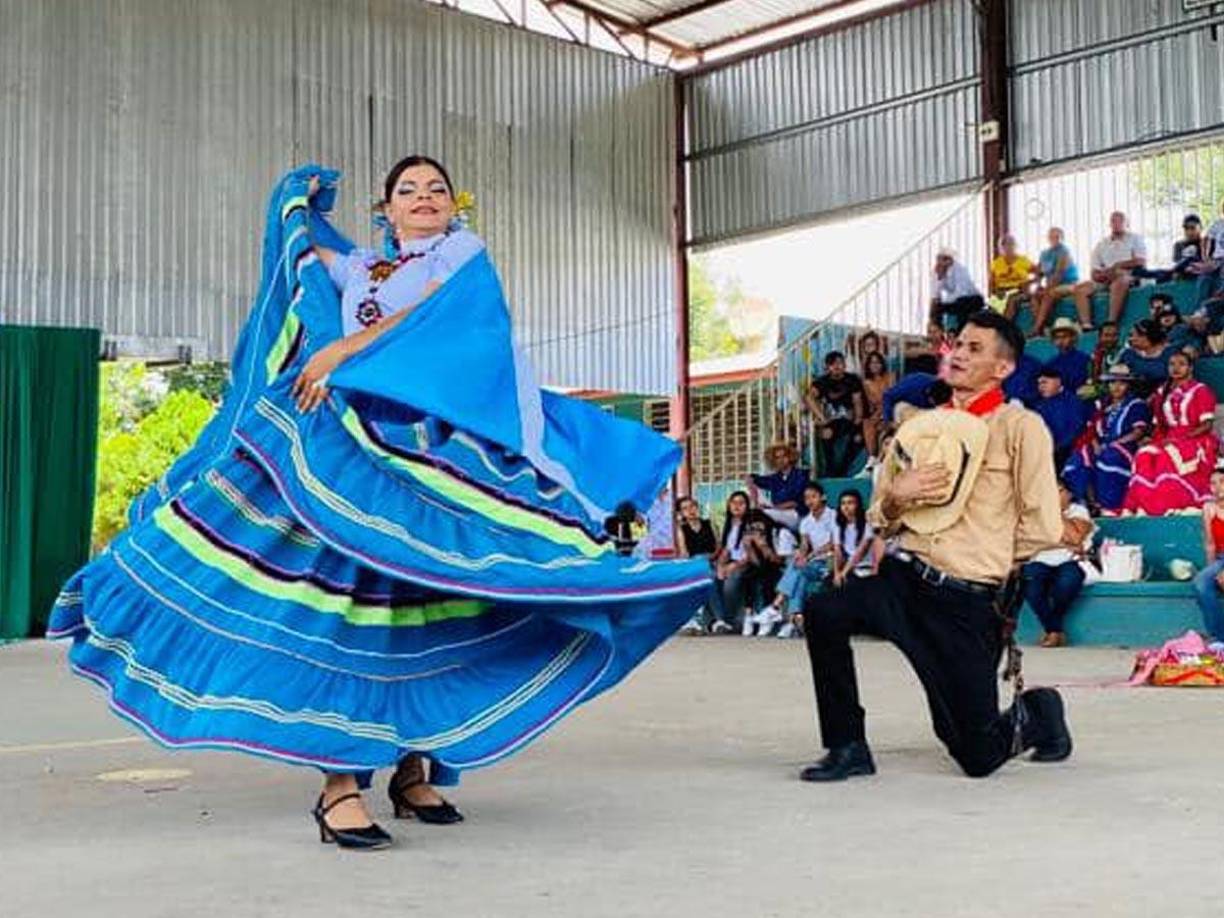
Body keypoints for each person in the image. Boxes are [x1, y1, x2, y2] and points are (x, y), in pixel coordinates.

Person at [47, 159, 711, 850]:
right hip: (356, 458)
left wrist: (339, 351)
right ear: (385, 210)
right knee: (354, 615)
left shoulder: (461, 255)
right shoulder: (362, 267)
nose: (424, 199)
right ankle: (340, 786)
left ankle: (414, 767)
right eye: (407, 192)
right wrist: (294, 201)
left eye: (436, 190)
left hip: (432, 456)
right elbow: (303, 249)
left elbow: (436, 324)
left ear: (454, 206)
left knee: (432, 606)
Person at [799, 310, 1072, 783]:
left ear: (1003, 368)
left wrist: (986, 560)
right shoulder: (923, 427)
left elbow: (1044, 525)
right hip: (904, 580)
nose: (959, 354)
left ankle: (1040, 711)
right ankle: (847, 746)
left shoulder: (1021, 427)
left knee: (976, 755)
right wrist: (896, 496)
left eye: (974, 348)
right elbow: (880, 516)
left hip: (965, 601)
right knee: (824, 609)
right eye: (958, 344)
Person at [1124, 351, 1219, 515]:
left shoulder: (1200, 390)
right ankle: (1146, 505)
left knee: (1167, 455)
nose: (1176, 368)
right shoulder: (1163, 392)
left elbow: (1207, 425)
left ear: (1190, 368)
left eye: (1181, 364)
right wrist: (1150, 439)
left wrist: (1180, 438)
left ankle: (1172, 504)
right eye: (1172, 364)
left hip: (1195, 438)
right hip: (1167, 438)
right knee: (1143, 454)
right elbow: (1159, 425)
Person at [1063, 365, 1151, 512]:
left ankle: (1109, 506)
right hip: (1103, 446)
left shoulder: (1136, 405)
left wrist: (1114, 443)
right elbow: (1093, 432)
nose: (1116, 387)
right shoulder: (1103, 406)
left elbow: (1138, 432)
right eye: (1113, 382)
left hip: (1125, 447)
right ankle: (1084, 504)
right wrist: (1096, 445)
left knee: (1109, 457)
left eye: (1122, 383)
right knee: (1079, 457)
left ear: (1129, 385)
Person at [1022, 481, 1095, 648]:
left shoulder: (1078, 511)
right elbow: (1031, 542)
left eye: (1060, 491)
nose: (1055, 495)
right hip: (1039, 559)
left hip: (1069, 560)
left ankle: (1052, 631)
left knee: (1069, 581)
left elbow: (1076, 538)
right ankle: (1055, 630)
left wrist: (1057, 513)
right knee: (1030, 585)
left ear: (1069, 494)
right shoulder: (1036, 513)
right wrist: (1064, 543)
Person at [764, 483, 839, 639]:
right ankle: (795, 618)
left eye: (813, 496)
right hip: (814, 564)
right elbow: (804, 545)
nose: (810, 501)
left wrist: (810, 556)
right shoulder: (806, 521)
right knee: (799, 570)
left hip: (831, 562)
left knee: (798, 570)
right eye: (806, 498)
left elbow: (833, 543)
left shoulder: (834, 516)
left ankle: (777, 607)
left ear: (823, 497)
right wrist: (801, 555)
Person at [1074, 211, 1147, 328]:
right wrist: (1105, 275)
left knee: (1120, 281)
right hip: (1105, 278)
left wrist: (1118, 266)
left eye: (1120, 221)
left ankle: (1111, 322)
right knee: (1080, 288)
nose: (1116, 223)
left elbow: (1140, 261)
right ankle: (1086, 325)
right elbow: (1094, 272)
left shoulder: (1135, 238)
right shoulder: (1102, 244)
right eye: (1113, 221)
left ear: (1126, 223)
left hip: (1129, 275)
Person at [807, 352, 865, 478]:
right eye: (833, 364)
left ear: (844, 364)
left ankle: (842, 471)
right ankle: (830, 470)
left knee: (857, 439)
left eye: (839, 363)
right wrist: (821, 417)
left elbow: (858, 402)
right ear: (827, 367)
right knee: (826, 434)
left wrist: (858, 421)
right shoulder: (822, 381)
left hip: (850, 419)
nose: (837, 366)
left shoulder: (852, 379)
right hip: (832, 420)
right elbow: (809, 397)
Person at [675, 496, 723, 636]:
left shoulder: (709, 523)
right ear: (681, 513)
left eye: (692, 506)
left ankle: (697, 621)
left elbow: (718, 547)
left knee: (708, 576)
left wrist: (710, 557)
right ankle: (718, 619)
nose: (690, 511)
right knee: (704, 576)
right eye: (685, 509)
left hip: (711, 562)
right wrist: (698, 561)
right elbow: (684, 554)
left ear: (697, 507)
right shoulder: (681, 529)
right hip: (693, 565)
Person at [740, 509, 790, 636]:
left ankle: (768, 617)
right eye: (752, 528)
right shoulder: (751, 536)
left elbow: (779, 560)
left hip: (783, 567)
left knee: (768, 575)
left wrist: (764, 546)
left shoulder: (779, 532)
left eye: (758, 526)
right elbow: (757, 563)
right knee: (748, 574)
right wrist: (749, 548)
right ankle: (749, 614)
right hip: (765, 566)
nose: (756, 530)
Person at [713, 491, 754, 634]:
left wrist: (734, 566)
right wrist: (720, 566)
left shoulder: (751, 525)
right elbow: (726, 550)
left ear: (747, 506)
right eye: (733, 503)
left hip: (748, 563)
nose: (737, 506)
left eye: (741, 503)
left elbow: (750, 554)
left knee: (731, 581)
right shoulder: (729, 524)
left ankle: (730, 620)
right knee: (711, 578)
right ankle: (719, 619)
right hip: (732, 561)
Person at [1030, 227, 1082, 337]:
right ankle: (1043, 327)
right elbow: (1039, 272)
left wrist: (1047, 288)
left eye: (1057, 237)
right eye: (1052, 236)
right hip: (1051, 285)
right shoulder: (1044, 253)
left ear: (1062, 238)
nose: (1054, 239)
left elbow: (1058, 275)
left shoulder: (1064, 252)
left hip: (1068, 283)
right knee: (1035, 296)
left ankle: (1037, 328)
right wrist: (1038, 285)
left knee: (1049, 294)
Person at [747, 442, 810, 531]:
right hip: (777, 512)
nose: (781, 460)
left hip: (796, 514)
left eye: (784, 456)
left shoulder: (800, 475)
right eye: (777, 458)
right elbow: (753, 479)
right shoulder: (775, 478)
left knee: (763, 514)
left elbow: (796, 502)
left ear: (790, 457)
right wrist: (754, 499)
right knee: (756, 513)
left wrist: (773, 508)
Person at [1035, 369, 1088, 471]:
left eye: (1045, 382)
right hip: (1044, 450)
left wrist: (1055, 448)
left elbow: (1076, 429)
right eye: (1039, 383)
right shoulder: (1039, 406)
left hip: (1067, 452)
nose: (1041, 387)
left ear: (1058, 382)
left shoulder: (1073, 402)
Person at [1194, 469, 1224, 642]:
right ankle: (1220, 638)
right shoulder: (1208, 508)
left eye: (1222, 481)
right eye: (1213, 483)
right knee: (1201, 583)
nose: (1218, 487)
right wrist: (1213, 573)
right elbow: (1210, 544)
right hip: (1220, 559)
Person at [830, 489, 879, 587]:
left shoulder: (867, 523)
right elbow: (838, 552)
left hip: (865, 565)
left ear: (858, 505)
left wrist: (844, 573)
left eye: (850, 503)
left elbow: (860, 553)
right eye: (843, 503)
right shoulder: (838, 525)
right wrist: (836, 573)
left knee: (849, 584)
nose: (846, 507)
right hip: (848, 565)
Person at [930, 247, 986, 331]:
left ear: (949, 260)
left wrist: (945, 303)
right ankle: (938, 331)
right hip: (956, 300)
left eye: (943, 259)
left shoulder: (960, 269)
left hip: (972, 299)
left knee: (960, 305)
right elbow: (935, 295)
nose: (940, 263)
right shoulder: (938, 271)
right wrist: (939, 278)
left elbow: (960, 293)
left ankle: (960, 331)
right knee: (937, 307)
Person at [1119, 318, 1180, 394]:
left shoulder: (1170, 353)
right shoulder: (1127, 354)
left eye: (1138, 335)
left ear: (1150, 335)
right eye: (1131, 335)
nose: (1132, 339)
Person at [989, 234, 1037, 320]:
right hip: (1002, 291)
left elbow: (1040, 273)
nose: (1009, 247)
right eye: (1005, 244)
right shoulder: (996, 263)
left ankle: (1005, 325)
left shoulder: (1023, 260)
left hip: (1019, 290)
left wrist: (1029, 283)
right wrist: (994, 292)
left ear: (1015, 246)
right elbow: (991, 282)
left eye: (1011, 244)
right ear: (1001, 247)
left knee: (1011, 300)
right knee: (993, 304)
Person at [861, 351, 895, 460]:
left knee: (874, 422)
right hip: (878, 412)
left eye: (877, 362)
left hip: (892, 409)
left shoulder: (891, 377)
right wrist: (875, 416)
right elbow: (872, 402)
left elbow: (892, 397)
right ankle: (872, 457)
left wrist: (881, 412)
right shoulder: (866, 383)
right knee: (867, 423)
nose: (875, 365)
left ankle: (874, 458)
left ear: (882, 364)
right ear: (868, 366)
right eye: (872, 363)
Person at [1044, 318, 1091, 393]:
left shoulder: (1084, 359)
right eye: (1057, 337)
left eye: (1064, 336)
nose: (1061, 341)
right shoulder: (1050, 364)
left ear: (1073, 338)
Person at [1085, 321, 1124, 398]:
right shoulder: (1093, 355)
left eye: (1114, 335)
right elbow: (1090, 378)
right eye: (1106, 335)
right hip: (1098, 393)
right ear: (1099, 336)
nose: (1110, 339)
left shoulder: (1124, 354)